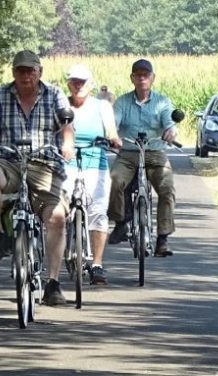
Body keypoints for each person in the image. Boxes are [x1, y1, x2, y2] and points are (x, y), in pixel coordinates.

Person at [0, 50, 74, 305]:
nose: (26, 75)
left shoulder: (54, 94)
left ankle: (53, 282)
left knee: (58, 218)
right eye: (20, 70)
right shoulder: (0, 94)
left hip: (44, 163)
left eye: (31, 70)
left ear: (40, 72)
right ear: (13, 73)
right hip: (9, 160)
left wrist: (67, 144)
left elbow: (67, 125)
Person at [107, 59, 178, 257]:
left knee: (167, 188)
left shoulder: (162, 102)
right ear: (132, 78)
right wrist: (113, 136)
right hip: (128, 153)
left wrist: (171, 131)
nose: (142, 78)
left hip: (154, 153)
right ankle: (121, 223)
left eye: (145, 75)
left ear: (152, 78)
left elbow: (169, 122)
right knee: (113, 179)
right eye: (138, 75)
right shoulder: (122, 102)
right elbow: (114, 122)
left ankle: (162, 238)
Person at [63, 64, 122, 285]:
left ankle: (96, 263)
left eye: (83, 82)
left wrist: (114, 140)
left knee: (97, 212)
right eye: (75, 81)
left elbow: (111, 130)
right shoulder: (61, 104)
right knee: (59, 211)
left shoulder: (102, 106)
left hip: (94, 164)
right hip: (65, 165)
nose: (78, 85)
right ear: (68, 83)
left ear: (91, 84)